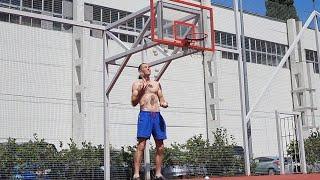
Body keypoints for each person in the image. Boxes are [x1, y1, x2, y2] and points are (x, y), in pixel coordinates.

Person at [131, 63, 168, 180]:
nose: (148, 68)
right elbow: (133, 102)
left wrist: (164, 103)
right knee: (141, 144)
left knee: (160, 146)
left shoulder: (157, 84)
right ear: (140, 71)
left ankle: (158, 173)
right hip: (145, 114)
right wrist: (142, 91)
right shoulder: (137, 84)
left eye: (149, 67)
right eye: (146, 67)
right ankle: (136, 173)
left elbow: (162, 99)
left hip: (157, 115)